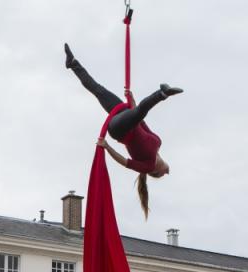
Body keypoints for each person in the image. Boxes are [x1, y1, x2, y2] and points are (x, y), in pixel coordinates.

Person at [64, 44, 182, 217]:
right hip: (127, 116)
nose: (167, 171)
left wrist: (107, 146)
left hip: (120, 130)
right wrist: (132, 101)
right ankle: (73, 63)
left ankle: (162, 94)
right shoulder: (158, 143)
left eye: (164, 174)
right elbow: (142, 122)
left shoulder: (147, 164)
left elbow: (124, 161)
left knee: (139, 111)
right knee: (98, 90)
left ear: (155, 171)